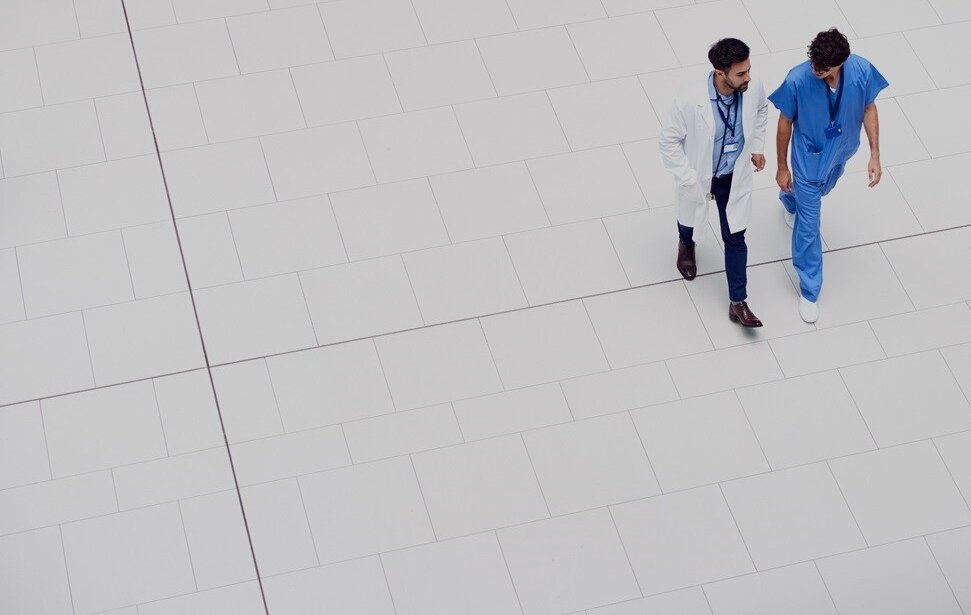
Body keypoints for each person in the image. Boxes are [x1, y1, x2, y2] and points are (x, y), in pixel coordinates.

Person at [770, 28, 888, 323]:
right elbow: (785, 122)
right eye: (814, 64)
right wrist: (783, 166)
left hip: (841, 153)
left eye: (823, 68)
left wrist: (874, 154)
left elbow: (869, 107)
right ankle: (810, 289)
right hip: (807, 161)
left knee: (822, 190)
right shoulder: (798, 79)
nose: (816, 70)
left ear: (841, 63)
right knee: (809, 227)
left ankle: (790, 199)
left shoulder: (861, 70)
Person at [660, 38, 769, 328]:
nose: (748, 78)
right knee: (690, 217)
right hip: (701, 176)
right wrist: (687, 177)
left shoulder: (752, 87)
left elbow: (761, 110)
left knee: (735, 237)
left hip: (733, 177)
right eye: (741, 74)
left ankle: (738, 302)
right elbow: (668, 142)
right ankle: (686, 244)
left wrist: (757, 146)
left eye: (748, 70)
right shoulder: (688, 102)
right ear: (720, 72)